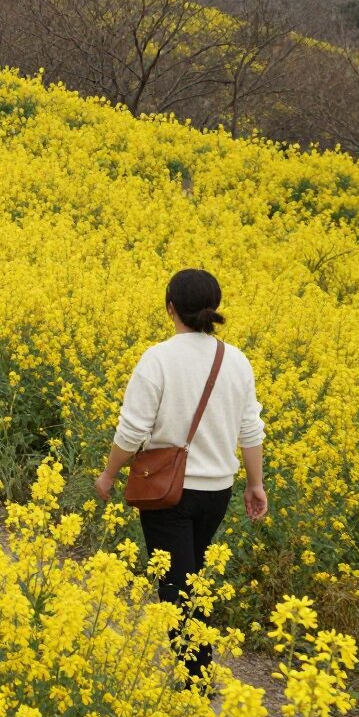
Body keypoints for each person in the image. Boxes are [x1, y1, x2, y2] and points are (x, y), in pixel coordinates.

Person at [95, 268, 267, 680]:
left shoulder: (158, 358)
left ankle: (197, 680)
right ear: (214, 309)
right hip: (218, 491)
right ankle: (197, 669)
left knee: (177, 586)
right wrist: (255, 483)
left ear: (170, 307)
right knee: (187, 578)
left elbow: (134, 430)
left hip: (167, 492)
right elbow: (250, 429)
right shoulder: (236, 359)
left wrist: (108, 474)